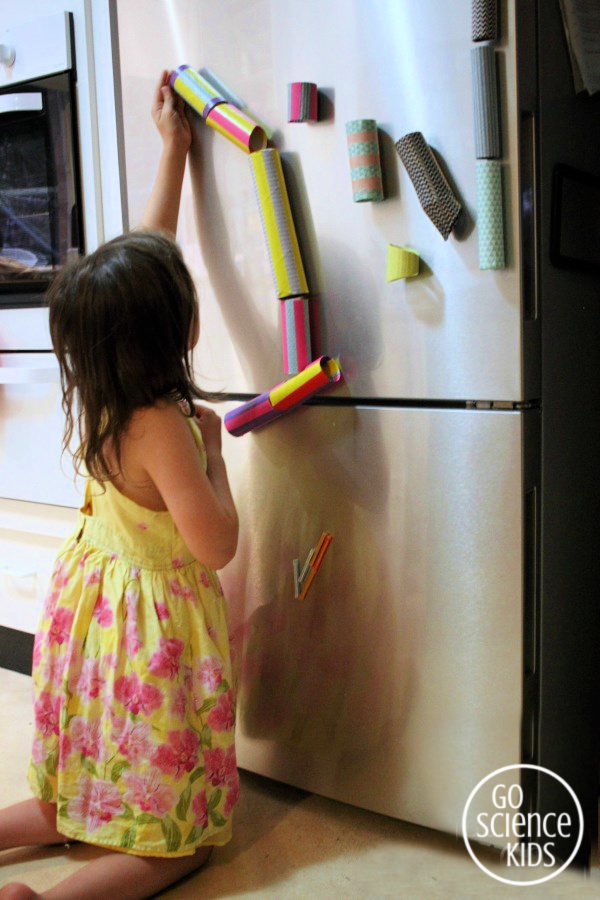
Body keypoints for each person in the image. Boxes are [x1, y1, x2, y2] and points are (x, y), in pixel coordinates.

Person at [0, 71, 239, 900]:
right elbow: (215, 546)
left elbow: (148, 251)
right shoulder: (171, 427)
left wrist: (174, 147)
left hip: (92, 613)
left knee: (68, 796)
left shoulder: (106, 385)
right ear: (176, 326)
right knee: (181, 845)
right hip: (149, 636)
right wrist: (218, 459)